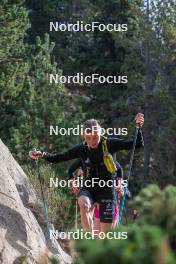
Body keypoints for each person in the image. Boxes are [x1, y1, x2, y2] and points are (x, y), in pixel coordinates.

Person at [29, 113, 144, 232]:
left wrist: (137, 127)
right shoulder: (81, 149)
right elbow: (59, 157)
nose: (92, 141)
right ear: (83, 136)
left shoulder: (110, 144)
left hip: (108, 189)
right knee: (83, 204)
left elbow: (137, 144)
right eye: (88, 138)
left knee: (105, 235)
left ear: (100, 133)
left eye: (95, 137)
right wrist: (42, 155)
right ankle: (89, 239)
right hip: (89, 186)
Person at [68, 158, 123, 233]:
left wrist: (120, 186)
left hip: (109, 205)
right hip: (97, 204)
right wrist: (75, 184)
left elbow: (119, 169)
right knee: (97, 236)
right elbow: (71, 170)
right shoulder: (85, 159)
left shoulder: (106, 159)